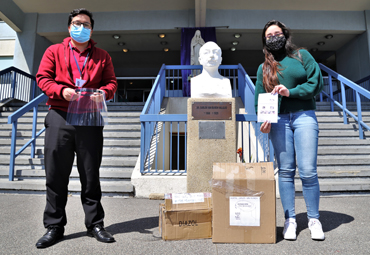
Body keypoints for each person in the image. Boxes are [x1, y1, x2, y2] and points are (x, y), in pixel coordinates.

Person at [35, 8, 117, 248]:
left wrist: (104, 93)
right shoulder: (54, 51)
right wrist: (60, 91)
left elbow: (111, 82)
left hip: (89, 117)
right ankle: (54, 226)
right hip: (60, 115)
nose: (81, 27)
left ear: (92, 29)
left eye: (86, 24)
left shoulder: (102, 55)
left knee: (90, 174)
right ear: (69, 27)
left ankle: (95, 225)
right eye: (76, 23)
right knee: (56, 174)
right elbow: (42, 78)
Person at [254, 20, 324, 241]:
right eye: (269, 35)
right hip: (279, 121)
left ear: (285, 34)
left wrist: (290, 92)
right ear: (264, 41)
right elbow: (259, 99)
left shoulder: (302, 56)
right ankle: (290, 220)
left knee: (308, 170)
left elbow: (316, 83)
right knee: (285, 171)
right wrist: (263, 122)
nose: (274, 37)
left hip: (304, 115)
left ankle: (314, 219)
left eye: (277, 33)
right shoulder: (263, 67)